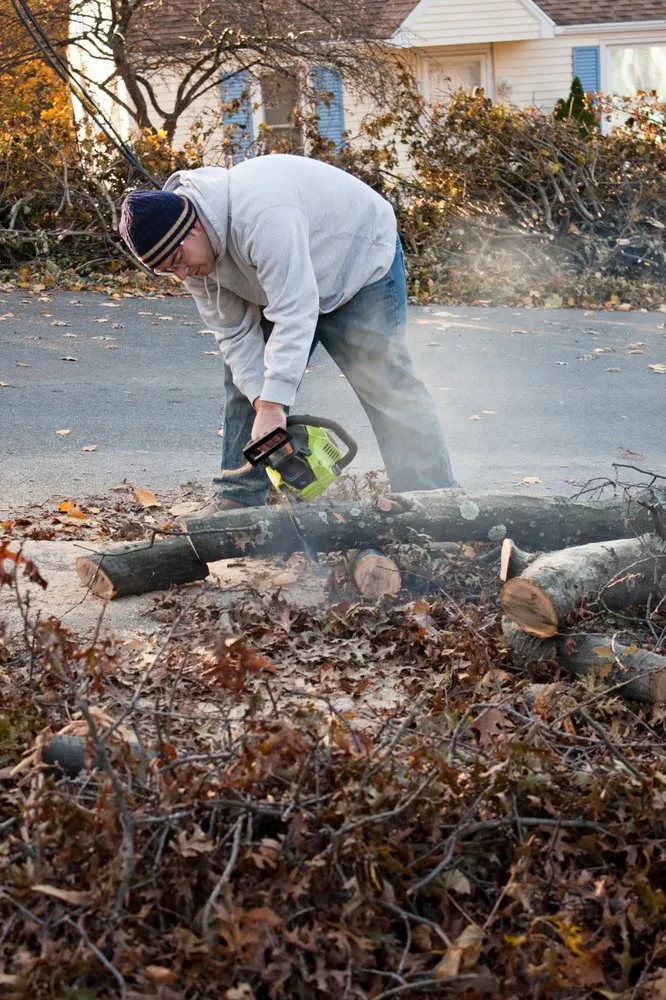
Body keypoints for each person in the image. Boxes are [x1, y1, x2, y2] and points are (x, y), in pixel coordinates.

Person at [119, 154, 458, 509]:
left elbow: (295, 310)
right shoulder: (191, 262)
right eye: (166, 270)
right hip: (287, 282)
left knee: (386, 385)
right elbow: (233, 334)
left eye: (177, 261)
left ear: (194, 227)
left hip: (358, 259)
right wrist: (262, 403)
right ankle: (237, 500)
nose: (181, 275)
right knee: (247, 387)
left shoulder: (260, 215)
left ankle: (432, 501)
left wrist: (274, 404)